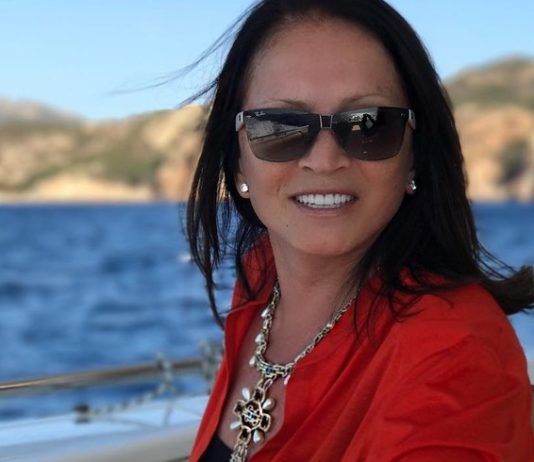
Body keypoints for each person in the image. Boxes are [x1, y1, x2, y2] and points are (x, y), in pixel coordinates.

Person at [186, 0, 534, 460]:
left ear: (414, 154)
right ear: (237, 159)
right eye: (281, 127)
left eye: (369, 125)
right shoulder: (262, 281)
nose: (324, 160)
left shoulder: (454, 356)